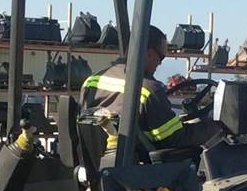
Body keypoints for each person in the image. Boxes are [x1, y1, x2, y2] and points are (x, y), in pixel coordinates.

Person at [80, 24, 209, 151]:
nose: (159, 64)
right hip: (136, 165)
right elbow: (173, 139)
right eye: (161, 58)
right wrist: (214, 127)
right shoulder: (150, 89)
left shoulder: (91, 81)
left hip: (94, 162)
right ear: (149, 54)